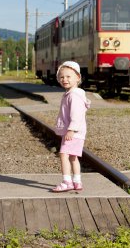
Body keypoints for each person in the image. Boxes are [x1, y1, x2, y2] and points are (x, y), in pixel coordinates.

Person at [52, 61, 91, 192]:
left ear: (78, 78)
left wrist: (71, 130)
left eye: (69, 76)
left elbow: (76, 115)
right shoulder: (72, 94)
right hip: (77, 132)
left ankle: (66, 182)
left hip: (73, 132)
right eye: (62, 77)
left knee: (63, 155)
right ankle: (77, 181)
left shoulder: (74, 95)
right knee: (73, 157)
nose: (65, 79)